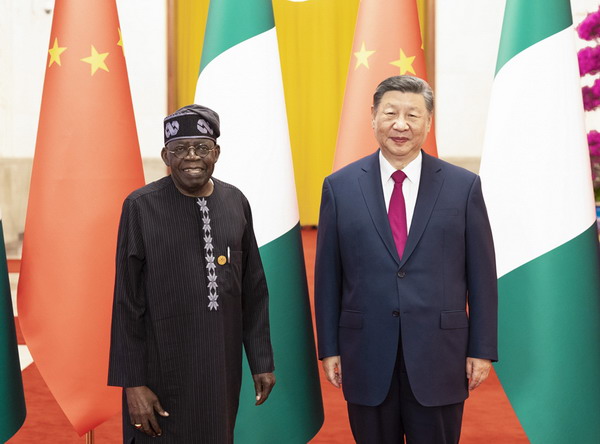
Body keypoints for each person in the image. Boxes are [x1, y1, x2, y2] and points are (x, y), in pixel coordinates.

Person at [315, 75, 498, 443]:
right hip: (366, 353)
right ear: (372, 116)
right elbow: (328, 277)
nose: (401, 125)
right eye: (390, 113)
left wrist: (481, 349)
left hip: (440, 355)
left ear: (428, 122)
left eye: (413, 115)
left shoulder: (463, 187)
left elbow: (482, 276)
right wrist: (330, 348)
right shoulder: (340, 187)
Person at [108, 104, 275, 443]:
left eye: (201, 147)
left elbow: (253, 288)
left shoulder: (235, 202)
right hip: (161, 374)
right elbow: (127, 302)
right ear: (165, 156)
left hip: (220, 369)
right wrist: (133, 384)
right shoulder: (140, 206)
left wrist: (261, 360)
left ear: (216, 153)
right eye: (180, 149)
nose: (192, 157)